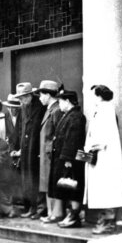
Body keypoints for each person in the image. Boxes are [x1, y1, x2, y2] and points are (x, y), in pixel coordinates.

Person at [84, 85, 122, 234]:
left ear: (99, 96)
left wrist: (90, 146)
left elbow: (103, 137)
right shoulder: (102, 110)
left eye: (93, 95)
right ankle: (105, 220)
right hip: (101, 157)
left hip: (105, 157)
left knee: (106, 190)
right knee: (103, 189)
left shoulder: (105, 110)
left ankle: (108, 222)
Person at [47, 90, 86, 228]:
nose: (60, 104)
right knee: (68, 187)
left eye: (61, 101)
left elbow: (72, 140)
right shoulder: (70, 115)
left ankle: (74, 216)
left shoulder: (75, 116)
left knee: (73, 187)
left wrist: (68, 160)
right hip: (66, 159)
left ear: (68, 101)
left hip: (71, 160)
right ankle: (71, 215)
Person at [14, 82, 45, 219]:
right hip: (26, 149)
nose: (21, 100)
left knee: (35, 178)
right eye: (20, 98)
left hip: (36, 148)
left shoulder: (40, 106)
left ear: (30, 95)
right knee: (27, 179)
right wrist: (19, 147)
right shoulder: (23, 108)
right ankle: (30, 207)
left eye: (23, 97)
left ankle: (38, 208)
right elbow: (20, 130)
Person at [36, 81, 64, 223]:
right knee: (47, 184)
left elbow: (58, 134)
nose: (40, 98)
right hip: (47, 154)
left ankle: (56, 213)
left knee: (51, 184)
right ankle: (51, 212)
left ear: (48, 94)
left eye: (41, 95)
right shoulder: (50, 109)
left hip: (51, 155)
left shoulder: (56, 110)